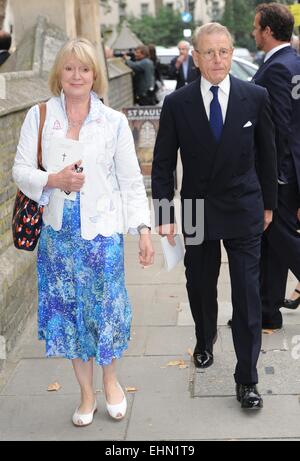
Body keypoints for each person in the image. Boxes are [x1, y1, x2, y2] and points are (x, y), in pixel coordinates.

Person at [12, 37, 154, 427]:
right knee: (70, 313)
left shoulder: (113, 122)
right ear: (60, 73)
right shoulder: (39, 115)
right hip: (58, 236)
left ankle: (110, 382)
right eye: (70, 68)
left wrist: (142, 229)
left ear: (95, 75)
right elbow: (20, 171)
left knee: (105, 310)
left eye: (86, 69)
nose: (77, 75)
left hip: (102, 235)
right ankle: (86, 393)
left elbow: (130, 180)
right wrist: (52, 179)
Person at [152, 23, 277, 410]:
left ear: (231, 51)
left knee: (246, 293)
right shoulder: (177, 103)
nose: (218, 59)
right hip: (194, 206)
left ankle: (248, 378)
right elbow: (162, 162)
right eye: (209, 52)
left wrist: (269, 205)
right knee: (199, 285)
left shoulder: (255, 96)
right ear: (197, 56)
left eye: (224, 51)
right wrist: (163, 213)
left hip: (243, 205)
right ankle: (205, 339)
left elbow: (268, 154)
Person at [251, 3, 300, 329]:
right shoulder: (294, 62)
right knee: (270, 240)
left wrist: (277, 175)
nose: (254, 33)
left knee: (280, 235)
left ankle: (267, 309)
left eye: (256, 27)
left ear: (268, 31)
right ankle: (268, 312)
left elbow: (280, 127)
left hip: (282, 172)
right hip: (291, 169)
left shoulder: (277, 68)